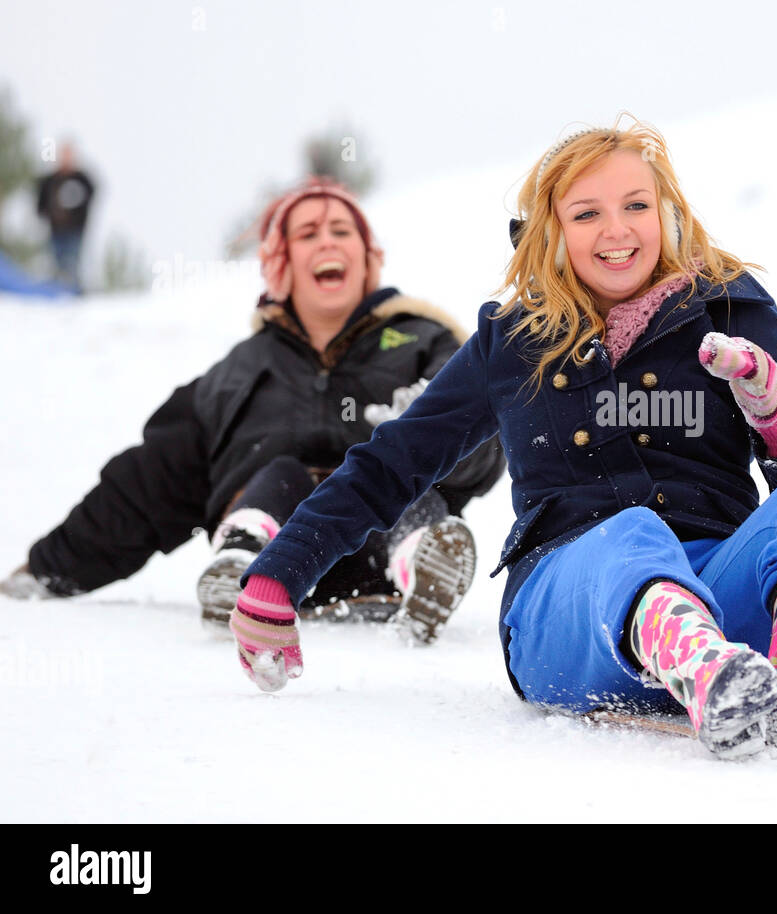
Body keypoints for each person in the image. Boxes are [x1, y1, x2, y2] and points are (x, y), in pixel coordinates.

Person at [229, 122, 777, 769]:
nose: (617, 230)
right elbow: (392, 464)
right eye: (586, 212)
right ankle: (700, 669)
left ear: (666, 212)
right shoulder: (514, 341)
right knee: (628, 533)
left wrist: (771, 413)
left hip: (719, 588)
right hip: (565, 608)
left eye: (635, 205)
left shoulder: (731, 307)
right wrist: (278, 576)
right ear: (552, 231)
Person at [1, 178, 505, 641]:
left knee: (391, 483)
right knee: (279, 473)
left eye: (341, 230)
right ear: (281, 261)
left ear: (366, 254)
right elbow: (145, 486)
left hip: (379, 540)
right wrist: (48, 568)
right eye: (308, 233)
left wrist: (421, 420)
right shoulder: (237, 373)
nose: (327, 241)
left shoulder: (426, 343)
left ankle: (422, 564)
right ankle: (240, 561)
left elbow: (486, 438)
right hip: (273, 550)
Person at [35, 142, 95, 293]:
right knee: (57, 264)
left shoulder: (82, 179)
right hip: (56, 230)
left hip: (75, 231)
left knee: (72, 264)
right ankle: (57, 295)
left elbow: (92, 194)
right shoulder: (51, 180)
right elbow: (41, 199)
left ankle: (75, 294)